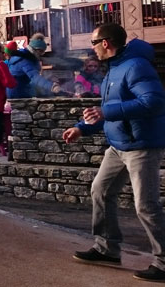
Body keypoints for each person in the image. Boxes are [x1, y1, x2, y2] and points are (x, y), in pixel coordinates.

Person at [62, 23, 165, 282]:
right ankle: (107, 248)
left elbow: (154, 102)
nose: (92, 49)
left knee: (145, 205)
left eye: (94, 43)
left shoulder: (136, 66)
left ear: (106, 43)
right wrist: (81, 129)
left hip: (141, 146)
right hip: (118, 145)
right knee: (101, 190)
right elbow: (108, 110)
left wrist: (106, 112)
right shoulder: (114, 69)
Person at [7, 33, 61, 99]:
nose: (42, 54)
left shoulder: (25, 56)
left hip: (19, 90)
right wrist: (52, 87)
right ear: (36, 50)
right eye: (42, 52)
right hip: (17, 93)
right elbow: (34, 77)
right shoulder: (25, 59)